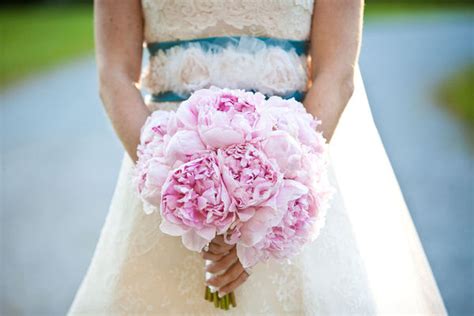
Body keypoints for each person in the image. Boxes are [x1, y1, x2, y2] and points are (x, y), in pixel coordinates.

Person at [69, 0, 447, 314]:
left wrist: (274, 198)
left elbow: (336, 73)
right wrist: (177, 188)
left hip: (290, 175)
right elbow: (114, 75)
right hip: (167, 180)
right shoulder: (169, 179)